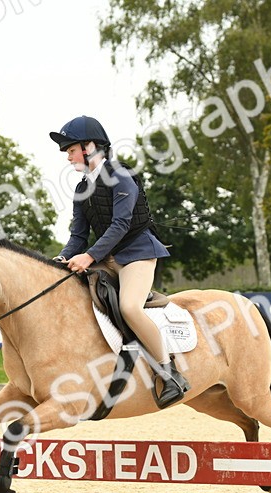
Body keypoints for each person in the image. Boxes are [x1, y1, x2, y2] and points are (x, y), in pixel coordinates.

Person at [49, 115, 189, 408]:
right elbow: (78, 235)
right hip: (106, 256)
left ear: (90, 147)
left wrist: (89, 256)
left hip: (137, 253)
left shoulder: (120, 176)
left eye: (71, 150)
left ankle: (170, 372)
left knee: (129, 307)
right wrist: (63, 258)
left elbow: (121, 224)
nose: (68, 157)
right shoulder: (81, 189)